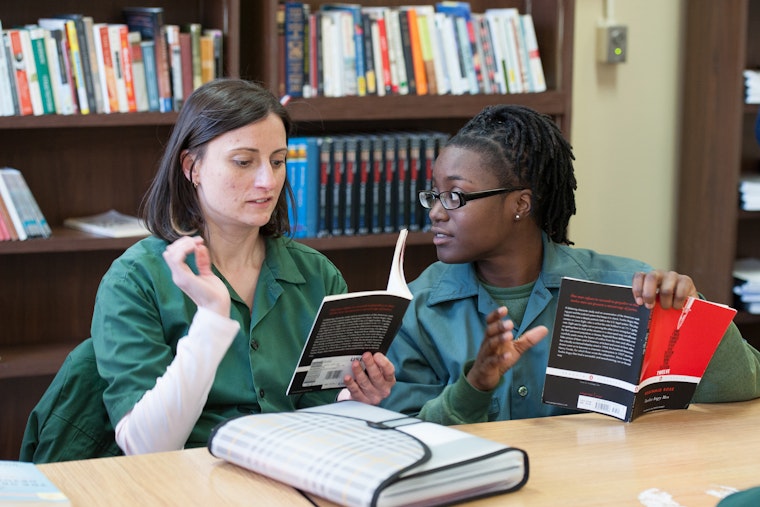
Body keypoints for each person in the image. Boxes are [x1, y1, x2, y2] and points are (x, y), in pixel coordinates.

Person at [380, 104, 760, 425]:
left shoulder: (623, 289)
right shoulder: (417, 306)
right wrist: (475, 385)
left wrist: (691, 318)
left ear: (520, 205)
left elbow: (744, 390)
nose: (435, 212)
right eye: (434, 194)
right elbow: (404, 432)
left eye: (455, 196)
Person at [88, 78, 395, 455]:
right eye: (244, 161)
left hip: (296, 469)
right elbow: (147, 447)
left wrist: (356, 398)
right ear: (192, 167)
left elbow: (323, 420)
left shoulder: (318, 274)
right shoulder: (135, 279)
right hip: (187, 477)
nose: (268, 181)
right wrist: (212, 319)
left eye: (278, 161)